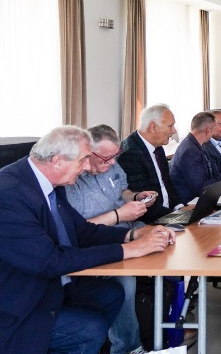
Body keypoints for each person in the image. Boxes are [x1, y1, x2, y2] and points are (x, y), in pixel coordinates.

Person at [0, 126, 176, 354]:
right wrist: (129, 250)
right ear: (58, 161)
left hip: (52, 285)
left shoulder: (51, 184)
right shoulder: (9, 195)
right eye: (83, 160)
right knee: (90, 329)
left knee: (112, 294)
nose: (86, 167)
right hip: (19, 302)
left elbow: (81, 231)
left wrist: (132, 235)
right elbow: (49, 262)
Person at [65, 124, 157, 354]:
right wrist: (118, 215)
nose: (112, 163)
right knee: (125, 282)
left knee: (167, 237)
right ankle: (129, 347)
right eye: (106, 158)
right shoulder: (71, 182)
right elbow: (78, 231)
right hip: (100, 244)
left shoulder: (111, 164)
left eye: (116, 156)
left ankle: (168, 322)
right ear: (88, 153)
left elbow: (122, 190)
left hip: (128, 228)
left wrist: (136, 196)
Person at [119, 103, 181, 223]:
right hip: (150, 222)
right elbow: (145, 202)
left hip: (168, 214)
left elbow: (168, 184)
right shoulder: (130, 153)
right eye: (170, 126)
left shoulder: (157, 146)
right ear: (153, 127)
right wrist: (175, 217)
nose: (174, 131)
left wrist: (180, 207)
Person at [171, 111, 221, 204]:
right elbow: (201, 188)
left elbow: (212, 176)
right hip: (192, 204)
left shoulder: (196, 145)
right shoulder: (190, 151)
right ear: (208, 130)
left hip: (204, 198)